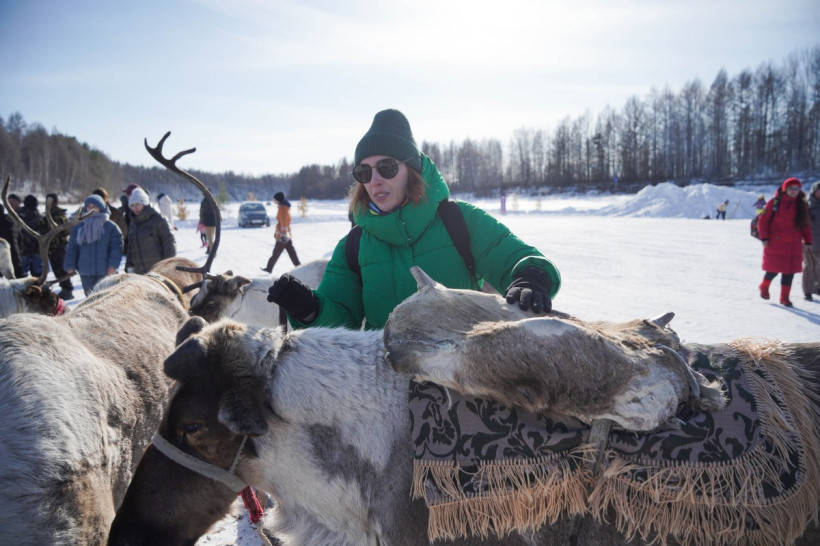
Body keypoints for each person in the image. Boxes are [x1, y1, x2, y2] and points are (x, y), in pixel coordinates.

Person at [267, 108, 560, 330]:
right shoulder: (353, 246)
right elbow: (341, 323)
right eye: (364, 172)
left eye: (386, 167)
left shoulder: (460, 220)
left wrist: (531, 277)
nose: (375, 180)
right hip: (385, 382)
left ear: (412, 170)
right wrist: (309, 309)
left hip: (461, 378)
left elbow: (516, 258)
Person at [757, 177, 813, 307]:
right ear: (785, 189)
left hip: (794, 243)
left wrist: (808, 241)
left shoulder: (802, 204)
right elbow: (762, 221)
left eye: (796, 189)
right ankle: (764, 285)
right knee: (773, 270)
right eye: (791, 188)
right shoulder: (774, 203)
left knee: (789, 272)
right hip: (776, 242)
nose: (794, 191)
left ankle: (784, 297)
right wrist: (764, 238)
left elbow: (805, 225)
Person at [64, 194, 124, 296]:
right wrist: (70, 265)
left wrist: (112, 266)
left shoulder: (110, 227)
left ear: (101, 207)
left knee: (105, 297)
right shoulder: (79, 227)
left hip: (105, 271)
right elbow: (72, 248)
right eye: (89, 207)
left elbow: (116, 249)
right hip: (85, 270)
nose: (91, 209)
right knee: (90, 299)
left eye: (94, 206)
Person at [125, 187, 176, 274]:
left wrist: (167, 266)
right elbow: (130, 248)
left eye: (137, 204)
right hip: (139, 272)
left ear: (144, 203)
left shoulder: (158, 219)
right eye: (132, 205)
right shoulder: (133, 224)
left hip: (158, 271)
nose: (135, 208)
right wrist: (129, 266)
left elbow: (169, 243)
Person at [42, 193, 74, 299]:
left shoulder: (50, 215)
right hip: (61, 246)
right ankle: (66, 289)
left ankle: (67, 290)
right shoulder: (61, 214)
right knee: (60, 269)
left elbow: (46, 231)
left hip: (55, 247)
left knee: (59, 269)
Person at [261, 192, 301, 273]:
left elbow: (284, 222)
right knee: (291, 252)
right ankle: (299, 267)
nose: (274, 200)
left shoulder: (282, 209)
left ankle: (269, 268)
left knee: (276, 253)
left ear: (278, 199)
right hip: (285, 235)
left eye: (274, 199)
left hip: (283, 236)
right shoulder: (283, 207)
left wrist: (283, 235)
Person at [802, 181, 820, 301]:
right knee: (809, 266)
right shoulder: (807, 206)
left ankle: (818, 287)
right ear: (814, 192)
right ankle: (808, 290)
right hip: (809, 241)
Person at [18, 194, 43, 276]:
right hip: (36, 248)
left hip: (22, 249)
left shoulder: (18, 214)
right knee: (38, 275)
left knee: (21, 274)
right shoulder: (38, 215)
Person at [0, 202, 24, 278]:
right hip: (15, 254)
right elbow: (20, 238)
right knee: (18, 277)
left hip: (2, 258)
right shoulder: (12, 220)